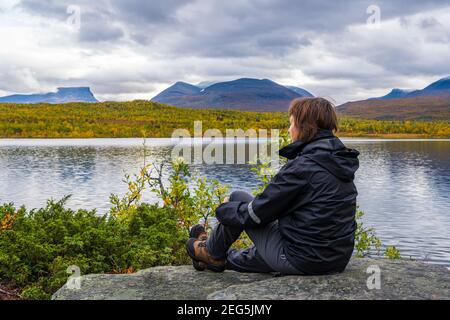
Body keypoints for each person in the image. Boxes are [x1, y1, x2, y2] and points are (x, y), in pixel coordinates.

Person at [186, 97, 360, 275]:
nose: (289, 129)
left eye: (291, 123)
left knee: (237, 197)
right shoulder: (337, 160)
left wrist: (225, 210)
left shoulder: (304, 166)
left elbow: (258, 212)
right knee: (259, 251)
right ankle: (218, 258)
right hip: (335, 259)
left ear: (306, 127)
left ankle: (211, 252)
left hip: (303, 260)